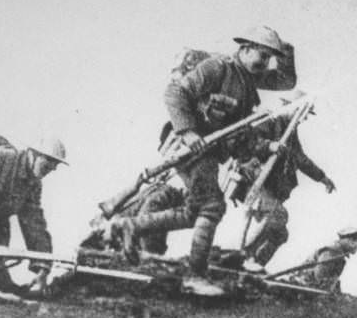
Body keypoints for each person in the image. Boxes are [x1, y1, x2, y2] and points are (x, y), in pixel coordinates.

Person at [113, 25, 296, 296]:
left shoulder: (247, 82)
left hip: (209, 152)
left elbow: (284, 82)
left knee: (195, 212)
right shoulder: (218, 68)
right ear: (244, 49)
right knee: (211, 207)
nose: (265, 63)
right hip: (186, 147)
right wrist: (187, 131)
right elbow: (175, 93)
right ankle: (195, 276)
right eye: (262, 55)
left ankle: (131, 226)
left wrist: (286, 52)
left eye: (270, 58)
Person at [233, 90, 336, 273]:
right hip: (252, 179)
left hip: (269, 185)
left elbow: (300, 159)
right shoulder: (269, 120)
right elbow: (245, 142)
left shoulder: (290, 133)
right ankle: (241, 256)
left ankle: (255, 266)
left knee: (280, 233)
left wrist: (322, 178)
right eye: (303, 113)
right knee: (277, 214)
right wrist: (268, 145)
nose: (303, 119)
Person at [0, 136, 68, 295]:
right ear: (32, 153)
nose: (52, 167)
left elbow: (35, 223)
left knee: (0, 291)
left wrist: (42, 269)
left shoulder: (33, 184)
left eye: (56, 164)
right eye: (48, 160)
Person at [291, 227, 357, 293]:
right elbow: (319, 277)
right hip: (302, 285)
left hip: (309, 286)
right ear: (349, 240)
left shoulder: (339, 255)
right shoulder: (332, 252)